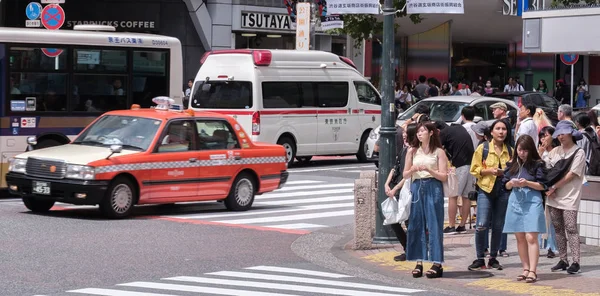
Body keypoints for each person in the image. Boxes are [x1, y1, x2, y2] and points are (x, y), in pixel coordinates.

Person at [403, 122, 448, 278]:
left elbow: (444, 176)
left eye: (422, 131)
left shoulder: (439, 152)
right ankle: (418, 261)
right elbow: (405, 174)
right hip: (416, 186)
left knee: (434, 224)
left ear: (430, 133)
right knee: (416, 224)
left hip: (433, 186)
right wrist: (413, 169)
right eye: (418, 132)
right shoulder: (412, 151)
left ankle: (437, 263)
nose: (419, 134)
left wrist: (429, 169)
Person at [468, 120, 513, 271]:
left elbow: (514, 171)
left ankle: (493, 257)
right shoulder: (483, 148)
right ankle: (480, 257)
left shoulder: (510, 151)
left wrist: (507, 175)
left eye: (504, 129)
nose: (501, 132)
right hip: (485, 189)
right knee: (481, 224)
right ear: (492, 132)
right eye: (498, 129)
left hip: (503, 190)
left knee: (498, 226)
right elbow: (474, 169)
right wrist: (489, 171)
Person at [503, 135, 547, 283]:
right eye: (520, 150)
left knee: (531, 237)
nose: (522, 153)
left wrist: (527, 183)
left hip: (532, 200)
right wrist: (512, 183)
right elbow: (505, 185)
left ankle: (533, 271)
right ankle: (525, 268)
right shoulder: (512, 164)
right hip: (515, 200)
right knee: (520, 237)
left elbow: (542, 185)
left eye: (525, 150)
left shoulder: (538, 164)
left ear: (531, 150)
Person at [545, 121, 586, 274]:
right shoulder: (555, 151)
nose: (561, 136)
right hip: (553, 195)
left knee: (571, 228)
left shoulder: (579, 152)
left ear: (571, 133)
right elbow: (546, 169)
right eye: (559, 134)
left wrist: (554, 187)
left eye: (564, 133)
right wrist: (549, 188)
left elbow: (571, 175)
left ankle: (576, 261)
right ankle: (563, 259)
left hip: (569, 196)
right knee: (558, 228)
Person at [384, 124, 416, 262]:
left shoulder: (415, 152)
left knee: (409, 222)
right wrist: (386, 183)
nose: (403, 134)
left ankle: (412, 251)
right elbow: (395, 168)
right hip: (396, 190)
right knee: (392, 219)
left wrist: (395, 188)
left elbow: (407, 175)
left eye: (406, 132)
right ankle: (408, 249)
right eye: (403, 132)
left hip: (406, 190)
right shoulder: (404, 150)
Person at [436, 121, 475, 235]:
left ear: (438, 131)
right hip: (470, 164)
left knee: (453, 195)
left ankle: (452, 226)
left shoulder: (444, 133)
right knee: (466, 196)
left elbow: (438, 149)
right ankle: (462, 225)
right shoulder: (459, 128)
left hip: (460, 166)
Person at [537, 126, 560, 259]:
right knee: (543, 218)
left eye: (545, 135)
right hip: (542, 189)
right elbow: (534, 168)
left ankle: (553, 247)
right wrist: (539, 153)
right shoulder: (540, 152)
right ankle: (544, 245)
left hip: (554, 188)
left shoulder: (558, 152)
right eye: (541, 136)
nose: (543, 139)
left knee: (553, 219)